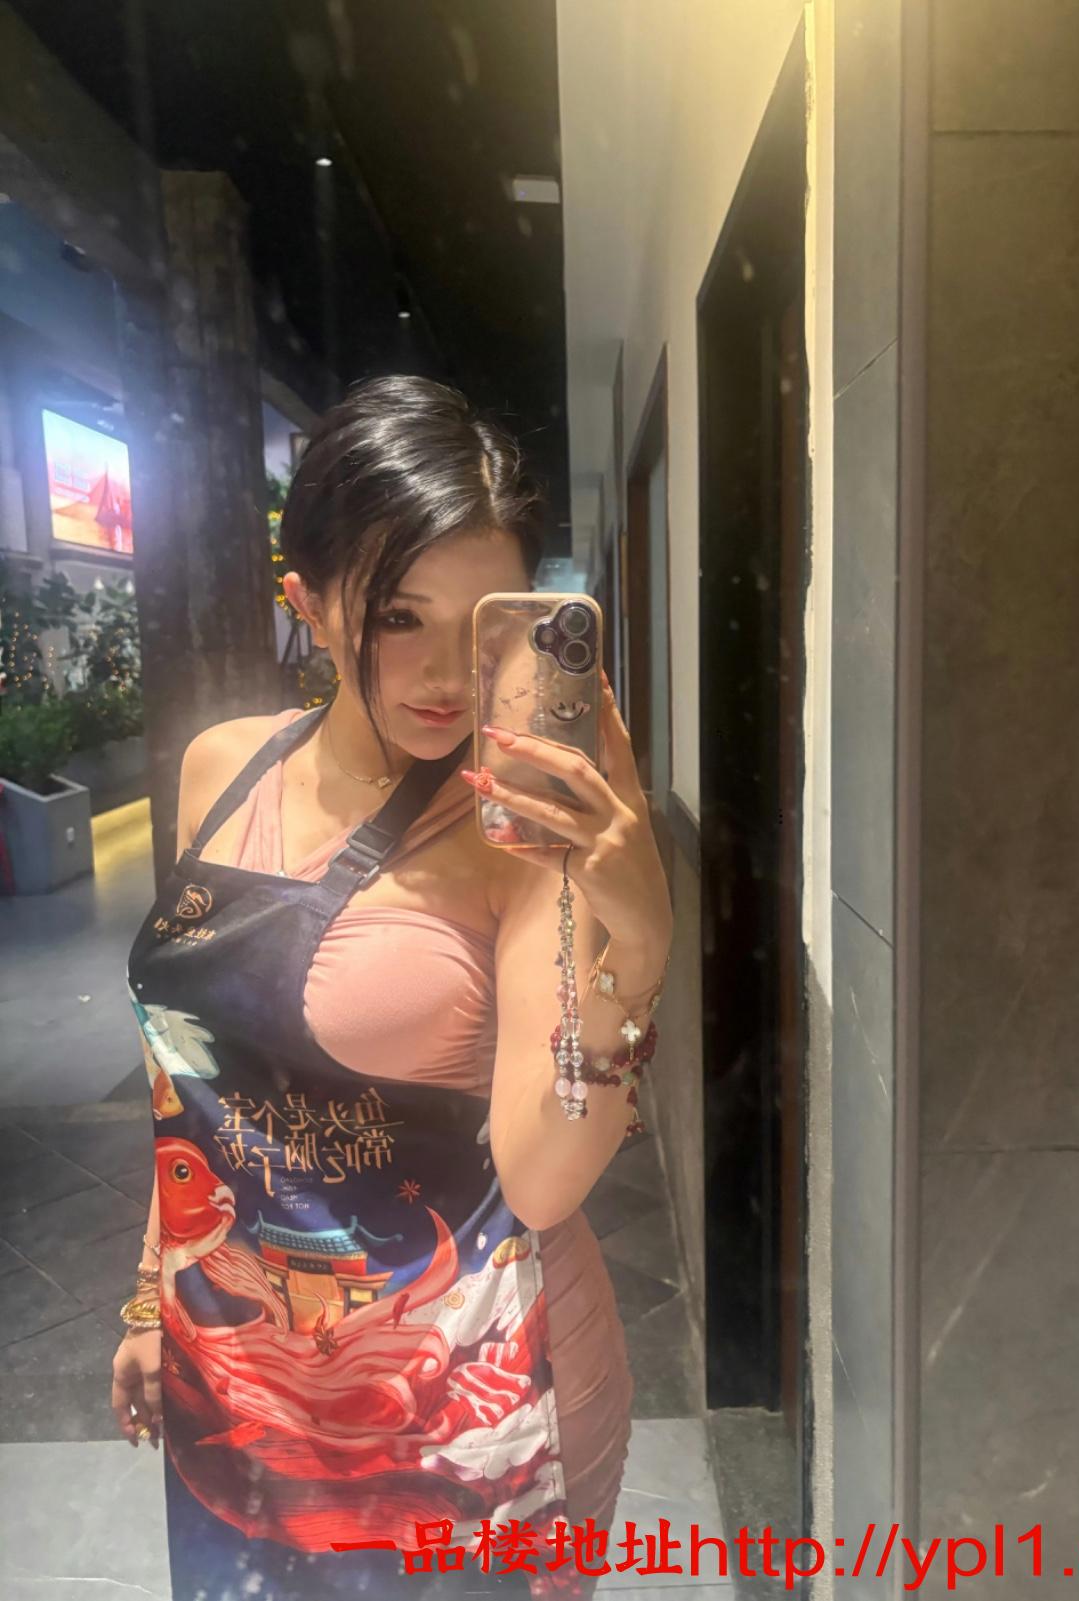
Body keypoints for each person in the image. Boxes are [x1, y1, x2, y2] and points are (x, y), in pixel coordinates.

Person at [110, 375, 674, 1600]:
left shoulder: (517, 835)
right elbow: (193, 1071)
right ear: (307, 603)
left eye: (485, 625)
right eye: (400, 615)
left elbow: (544, 1177)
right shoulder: (221, 767)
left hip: (470, 1398)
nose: (448, 675)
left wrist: (636, 932)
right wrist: (155, 1294)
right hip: (245, 1381)